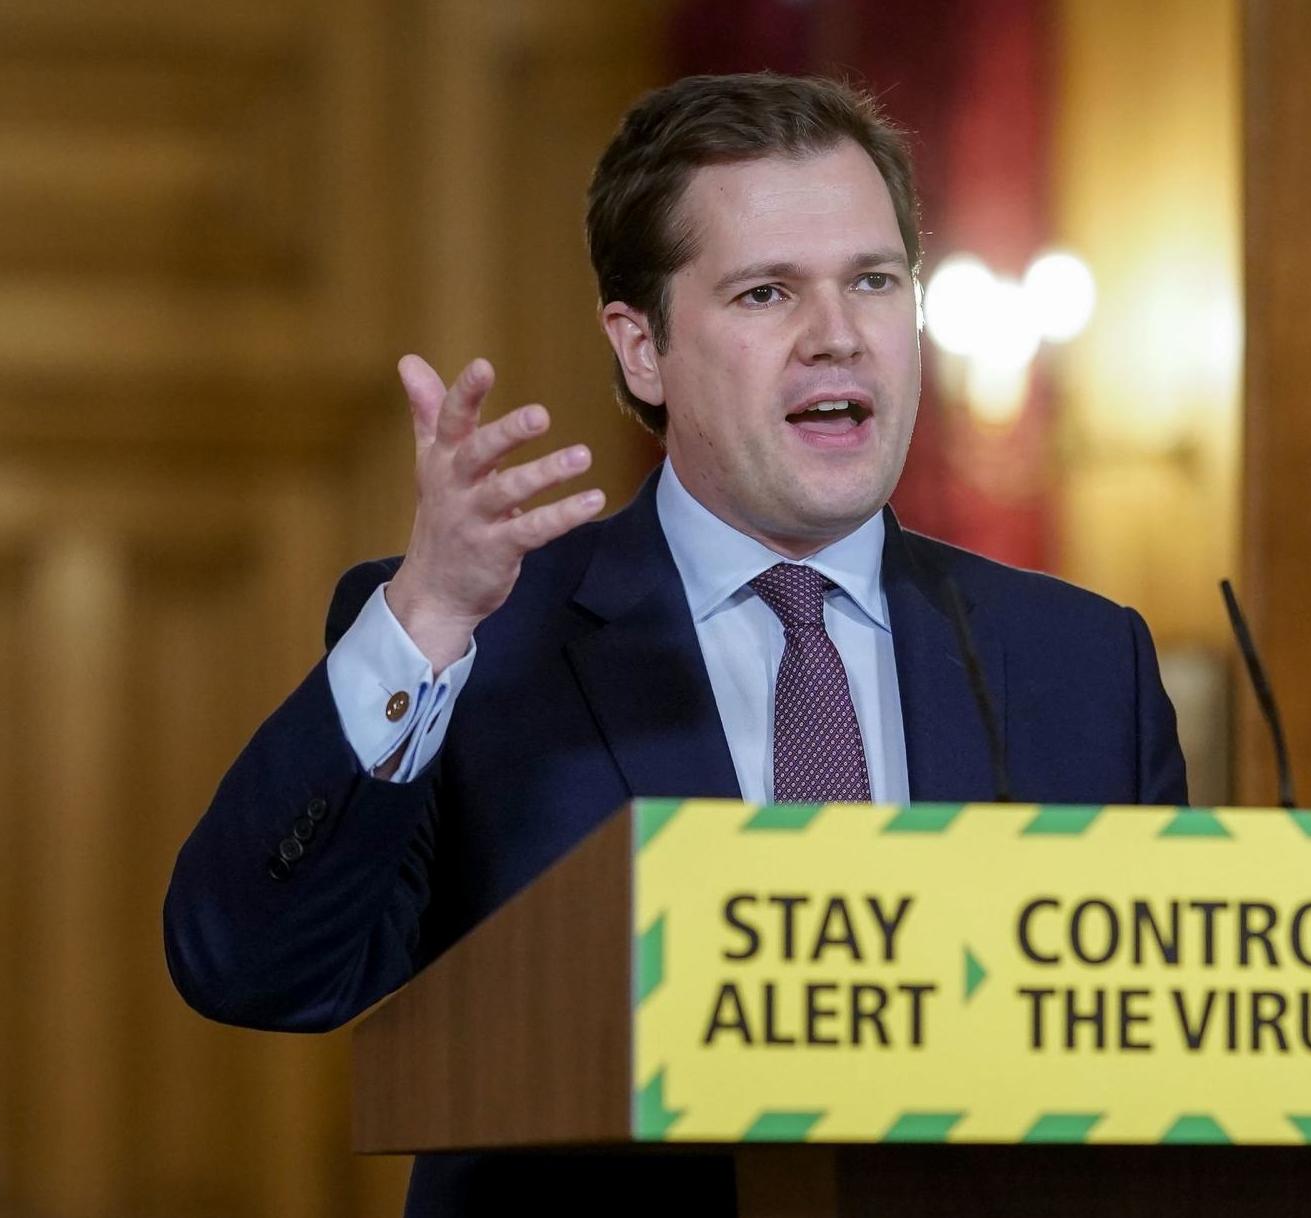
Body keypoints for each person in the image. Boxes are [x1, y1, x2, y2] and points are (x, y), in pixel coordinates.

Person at [165, 72, 1186, 1216]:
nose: (837, 337)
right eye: (764, 294)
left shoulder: (1082, 666)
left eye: (873, 280)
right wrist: (427, 621)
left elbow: (1159, 1084)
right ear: (640, 349)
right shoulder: (481, 643)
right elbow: (250, 969)